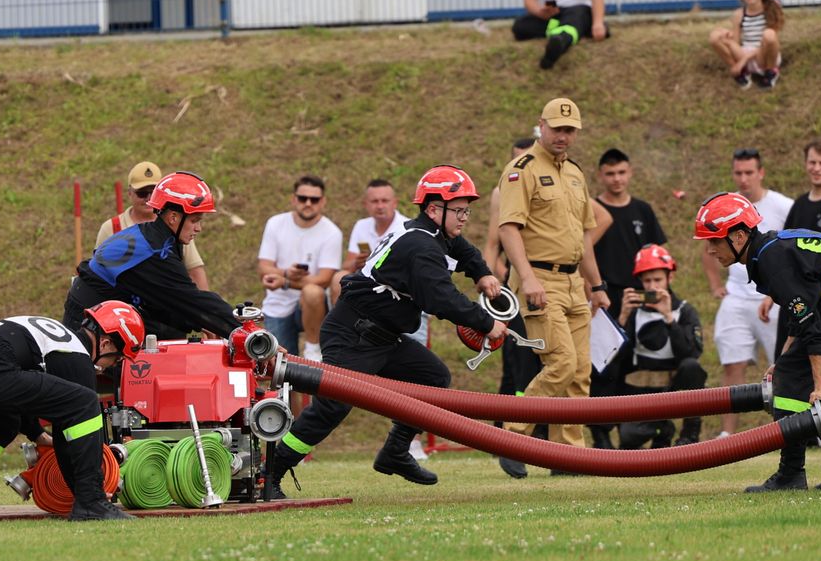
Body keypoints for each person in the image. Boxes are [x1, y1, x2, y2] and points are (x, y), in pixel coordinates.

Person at [259, 167, 506, 496]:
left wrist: (482, 273)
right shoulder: (422, 246)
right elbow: (441, 299)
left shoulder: (428, 235)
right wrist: (487, 323)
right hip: (353, 333)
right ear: (434, 209)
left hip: (382, 336)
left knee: (432, 377)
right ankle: (269, 474)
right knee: (331, 407)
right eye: (458, 209)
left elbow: (462, 249)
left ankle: (395, 452)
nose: (464, 217)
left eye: (466, 209)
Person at [694, 193, 821, 491]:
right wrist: (782, 359)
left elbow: (813, 328)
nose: (709, 250)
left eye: (714, 241)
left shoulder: (773, 260)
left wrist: (820, 386)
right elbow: (798, 316)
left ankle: (792, 473)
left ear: (738, 235)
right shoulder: (766, 253)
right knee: (788, 370)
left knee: (793, 375)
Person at [0, 303, 144, 524]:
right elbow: (69, 433)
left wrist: (36, 434)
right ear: (104, 343)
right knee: (85, 401)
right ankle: (91, 503)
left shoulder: (59, 338)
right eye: (117, 358)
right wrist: (89, 493)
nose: (111, 365)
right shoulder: (77, 358)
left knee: (1, 427)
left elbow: (19, 393)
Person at [495, 97, 611, 475]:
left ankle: (568, 455)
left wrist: (597, 285)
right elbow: (508, 227)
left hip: (574, 281)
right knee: (560, 363)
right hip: (540, 279)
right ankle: (513, 437)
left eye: (570, 130)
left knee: (579, 372)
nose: (563, 136)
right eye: (557, 128)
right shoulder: (521, 170)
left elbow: (585, 235)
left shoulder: (575, 173)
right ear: (540, 126)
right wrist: (526, 277)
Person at [65, 171, 244, 341]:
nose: (199, 228)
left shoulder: (154, 236)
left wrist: (199, 322)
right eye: (195, 221)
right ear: (173, 217)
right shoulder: (156, 251)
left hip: (101, 308)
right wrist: (245, 331)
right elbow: (193, 300)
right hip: (87, 318)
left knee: (176, 336)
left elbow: (166, 303)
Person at [701, 148, 793, 438]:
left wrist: (775, 293)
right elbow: (708, 245)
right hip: (736, 297)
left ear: (761, 172)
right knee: (732, 363)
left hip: (772, 298)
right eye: (738, 173)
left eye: (749, 172)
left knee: (783, 364)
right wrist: (716, 285)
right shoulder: (725, 205)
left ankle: (789, 427)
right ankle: (728, 434)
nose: (743, 179)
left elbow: (790, 250)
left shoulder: (782, 206)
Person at [587, 148, 668, 445]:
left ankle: (645, 428)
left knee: (636, 364)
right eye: (610, 173)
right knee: (602, 365)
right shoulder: (592, 211)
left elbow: (658, 256)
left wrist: (657, 294)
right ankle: (600, 432)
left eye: (621, 172)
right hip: (603, 298)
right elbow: (582, 253)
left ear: (630, 172)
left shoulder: (642, 211)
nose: (616, 179)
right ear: (600, 175)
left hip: (638, 299)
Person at [610, 245, 705, 449]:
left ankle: (690, 433)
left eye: (657, 280)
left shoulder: (684, 311)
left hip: (674, 390)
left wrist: (669, 318)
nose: (652, 287)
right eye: (647, 281)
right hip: (641, 389)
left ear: (670, 278)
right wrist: (622, 319)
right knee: (629, 439)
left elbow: (692, 353)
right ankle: (662, 428)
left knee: (692, 368)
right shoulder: (633, 312)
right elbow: (612, 357)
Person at [256, 175, 343, 359]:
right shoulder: (275, 223)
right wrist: (287, 272)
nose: (308, 203)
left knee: (312, 291)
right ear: (294, 199)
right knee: (281, 373)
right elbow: (263, 267)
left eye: (314, 199)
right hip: (277, 305)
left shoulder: (332, 232)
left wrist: (285, 281)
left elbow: (325, 279)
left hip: (314, 306)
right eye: (303, 198)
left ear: (323, 202)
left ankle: (313, 348)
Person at [482, 135, 542, 400]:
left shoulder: (552, 185)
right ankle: (507, 427)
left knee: (550, 358)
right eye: (515, 158)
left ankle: (540, 424)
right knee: (516, 357)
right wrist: (487, 277)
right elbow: (493, 244)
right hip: (516, 287)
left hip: (551, 282)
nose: (521, 164)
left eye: (526, 158)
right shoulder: (502, 191)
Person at [95, 160, 210, 290]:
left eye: (153, 192)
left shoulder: (176, 226)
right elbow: (98, 274)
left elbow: (194, 271)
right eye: (142, 193)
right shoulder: (111, 227)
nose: (148, 198)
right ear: (129, 193)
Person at [708, 0, 785, 88]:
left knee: (769, 34)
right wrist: (726, 35)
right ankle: (740, 72)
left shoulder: (770, 9)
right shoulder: (739, 14)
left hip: (763, 55)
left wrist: (745, 58)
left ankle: (771, 72)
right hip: (744, 53)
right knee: (715, 35)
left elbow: (772, 41)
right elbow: (737, 42)